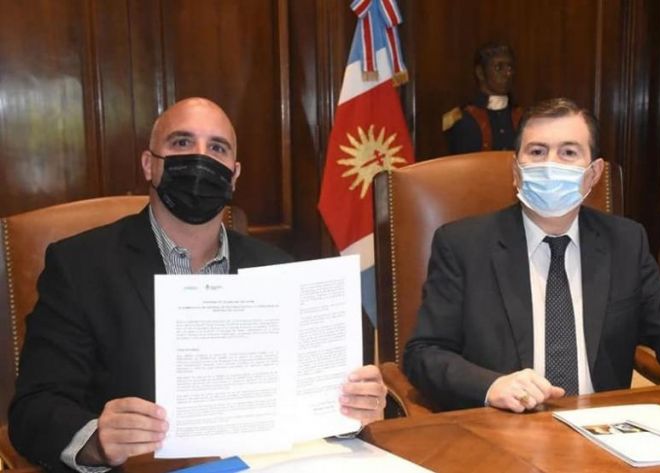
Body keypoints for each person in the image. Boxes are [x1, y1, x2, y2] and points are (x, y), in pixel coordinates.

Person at [8, 98, 387, 472]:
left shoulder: (278, 270)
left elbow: (307, 406)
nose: (200, 159)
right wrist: (96, 441)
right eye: (182, 142)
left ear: (234, 175)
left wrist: (352, 408)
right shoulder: (80, 266)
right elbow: (33, 408)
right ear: (149, 164)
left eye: (217, 148)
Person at [404, 98, 660, 435]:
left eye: (568, 153)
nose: (550, 164)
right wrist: (491, 386)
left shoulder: (625, 242)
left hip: (603, 435)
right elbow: (424, 353)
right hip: (503, 433)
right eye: (537, 152)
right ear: (516, 169)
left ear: (592, 173)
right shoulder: (463, 245)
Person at [442, 42, 523, 154]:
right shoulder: (462, 118)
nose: (507, 73)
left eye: (510, 67)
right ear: (480, 73)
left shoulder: (523, 117)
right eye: (498, 67)